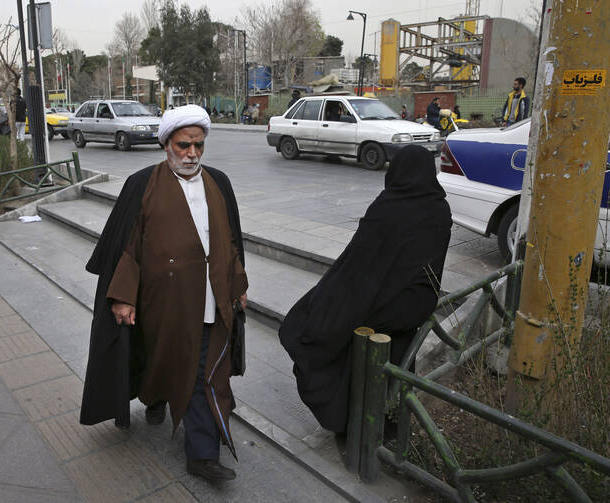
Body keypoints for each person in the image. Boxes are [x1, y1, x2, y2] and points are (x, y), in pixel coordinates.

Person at [80, 104, 249, 482]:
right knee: (162, 359)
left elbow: (231, 241)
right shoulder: (142, 184)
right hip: (160, 304)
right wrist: (122, 296)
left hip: (209, 298)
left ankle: (201, 454)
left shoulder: (218, 182)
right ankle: (155, 396)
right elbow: (127, 246)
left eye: (199, 146)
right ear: (165, 145)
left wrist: (238, 286)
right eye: (183, 145)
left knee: (201, 372)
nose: (192, 154)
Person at [278, 145, 452, 434]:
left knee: (324, 324)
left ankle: (351, 422)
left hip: (384, 305)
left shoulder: (388, 206)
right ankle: (389, 427)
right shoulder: (439, 207)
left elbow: (358, 262)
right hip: (418, 305)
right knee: (395, 359)